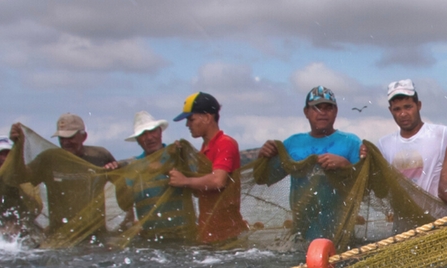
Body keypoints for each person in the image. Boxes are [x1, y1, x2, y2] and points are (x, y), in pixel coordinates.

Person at [258, 86, 362, 240]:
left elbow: (364, 186)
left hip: (341, 232)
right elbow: (265, 178)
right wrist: (264, 156)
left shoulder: (351, 142)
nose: (322, 113)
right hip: (303, 232)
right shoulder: (292, 143)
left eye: (328, 108)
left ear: (336, 111)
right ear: (306, 112)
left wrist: (345, 164)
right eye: (316, 108)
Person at [8, 114, 118, 244]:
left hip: (95, 237)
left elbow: (123, 183)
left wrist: (116, 167)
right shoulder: (49, 159)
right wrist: (18, 145)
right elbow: (19, 177)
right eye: (61, 138)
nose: (66, 142)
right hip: (59, 237)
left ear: (84, 137)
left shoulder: (100, 156)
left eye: (70, 137)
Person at [168, 92, 247, 244]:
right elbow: (200, 192)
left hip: (227, 234)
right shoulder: (204, 149)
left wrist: (185, 180)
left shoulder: (225, 143)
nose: (187, 125)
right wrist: (181, 159)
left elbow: (218, 181)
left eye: (191, 119)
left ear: (207, 117)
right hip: (208, 232)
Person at [116, 111, 195, 242]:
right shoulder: (134, 168)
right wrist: (117, 179)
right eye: (143, 134)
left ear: (160, 132)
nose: (149, 137)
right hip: (150, 240)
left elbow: (197, 189)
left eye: (152, 131)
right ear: (137, 140)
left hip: (184, 236)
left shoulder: (177, 156)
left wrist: (165, 169)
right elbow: (125, 205)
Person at [376, 79, 447, 196]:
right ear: (390, 110)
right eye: (397, 109)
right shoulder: (383, 144)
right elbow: (381, 190)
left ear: (419, 105)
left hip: (439, 214)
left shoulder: (442, 134)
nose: (403, 114)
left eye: (408, 107)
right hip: (402, 213)